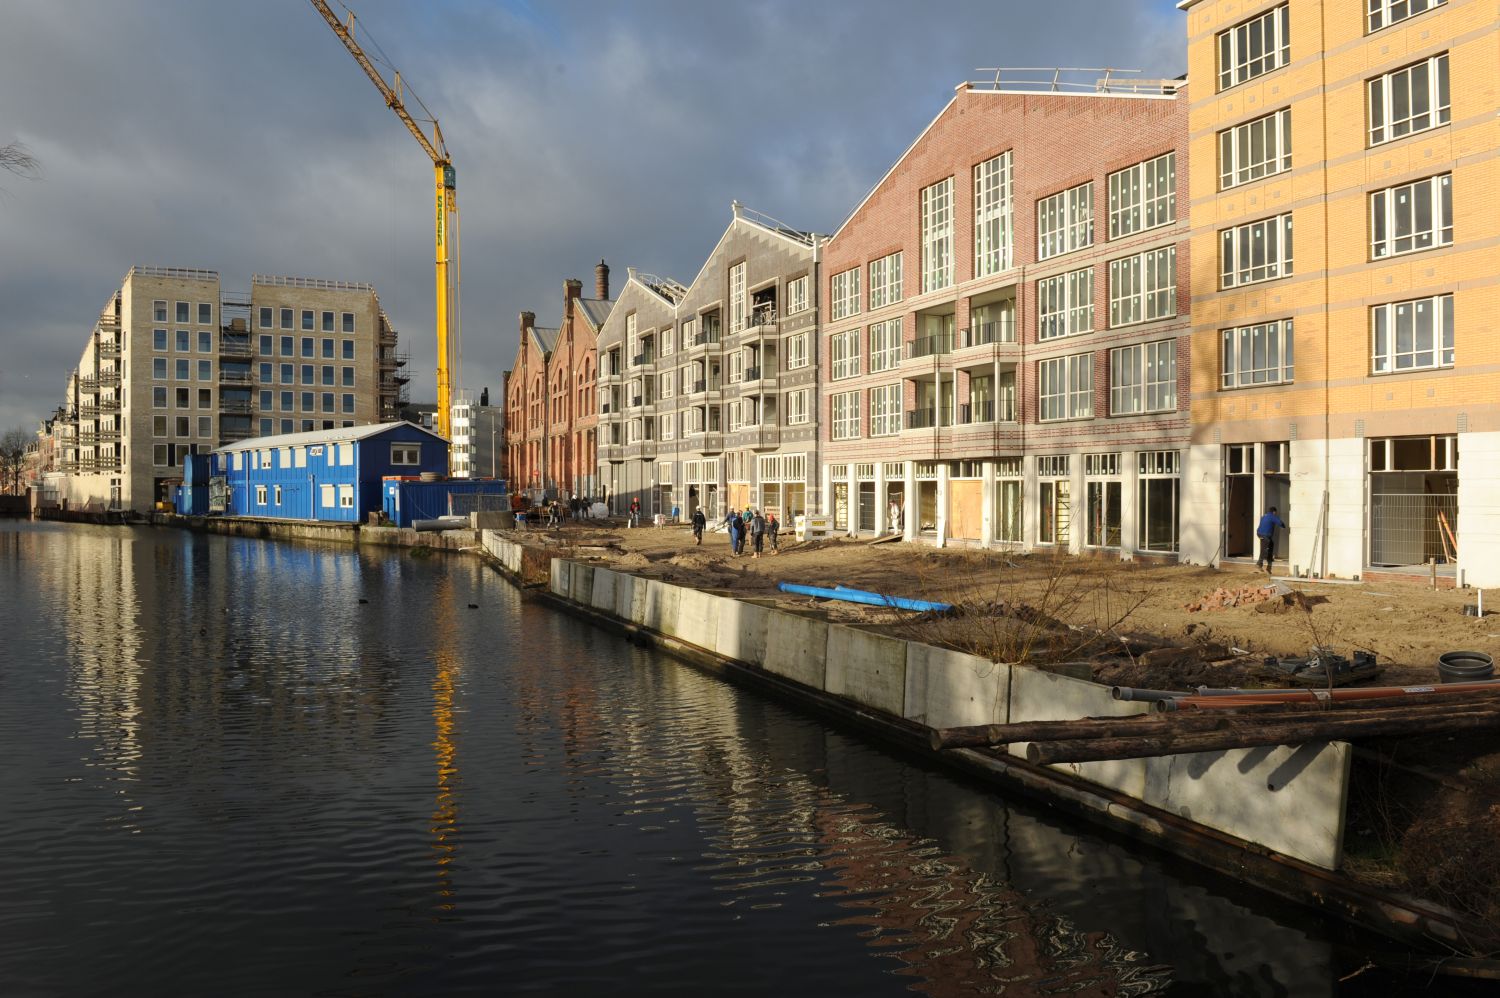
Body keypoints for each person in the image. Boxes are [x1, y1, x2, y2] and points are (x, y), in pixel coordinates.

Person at [1256, 505, 1287, 573]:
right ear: (1274, 512)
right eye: (1275, 513)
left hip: (1260, 533)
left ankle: (1269, 560)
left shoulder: (1264, 516)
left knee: (1271, 544)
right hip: (1265, 535)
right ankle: (1259, 564)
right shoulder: (1272, 516)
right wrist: (1283, 526)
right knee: (1264, 549)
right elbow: (1280, 522)